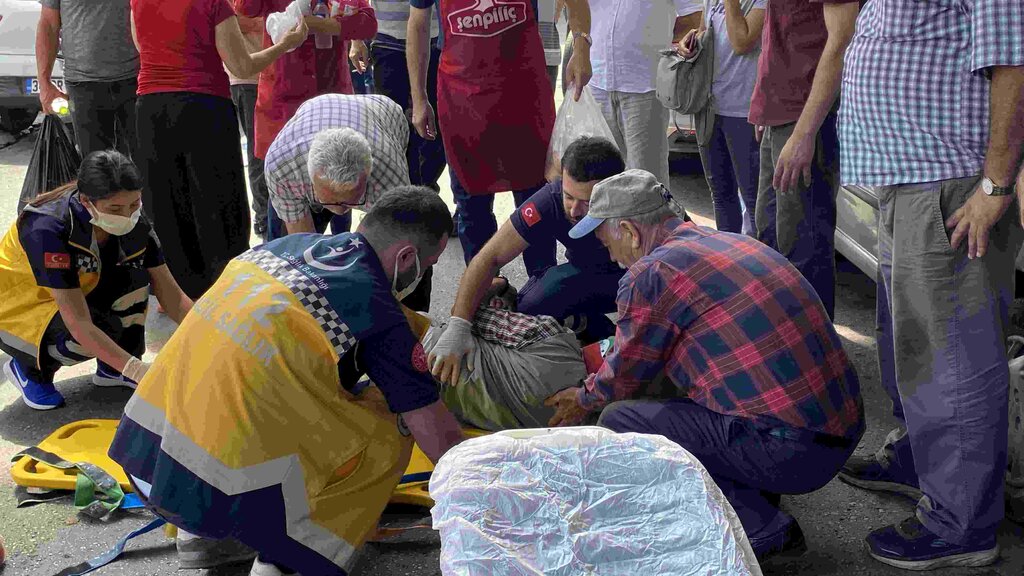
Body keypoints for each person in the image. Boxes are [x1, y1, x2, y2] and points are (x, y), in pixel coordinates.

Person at [108, 187, 464, 576]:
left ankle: (203, 539)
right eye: (429, 264)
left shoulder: (285, 248)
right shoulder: (376, 311)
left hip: (145, 455)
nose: (423, 274)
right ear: (407, 257)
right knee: (391, 427)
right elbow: (434, 432)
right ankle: (289, 561)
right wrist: (484, 485)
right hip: (211, 488)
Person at [546, 169, 865, 562]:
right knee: (681, 393)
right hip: (841, 428)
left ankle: (761, 526)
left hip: (795, 449)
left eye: (607, 243)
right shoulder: (725, 241)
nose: (611, 256)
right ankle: (752, 488)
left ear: (629, 231)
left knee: (620, 419)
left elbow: (624, 376)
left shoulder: (651, 274)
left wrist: (582, 398)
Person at [836, 1, 1024, 569]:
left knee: (954, 362)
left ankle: (961, 523)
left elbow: (1013, 57)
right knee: (919, 351)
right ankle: (925, 467)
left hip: (951, 184)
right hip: (913, 180)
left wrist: (995, 185)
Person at [130, 0, 307, 299]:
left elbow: (143, 48)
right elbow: (242, 66)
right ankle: (226, 292)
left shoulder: (137, 2)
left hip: (151, 108)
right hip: (203, 105)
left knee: (167, 204)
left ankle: (179, 294)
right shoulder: (213, 3)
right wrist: (284, 45)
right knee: (219, 203)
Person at [407, 0, 592, 278]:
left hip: (523, 97)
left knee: (536, 205)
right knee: (472, 209)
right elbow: (418, 24)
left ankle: (541, 287)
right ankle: (486, 289)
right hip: (463, 102)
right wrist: (419, 98)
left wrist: (581, 46)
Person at [0, 151, 192, 411]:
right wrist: (138, 371)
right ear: (86, 201)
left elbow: (172, 295)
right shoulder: (47, 228)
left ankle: (114, 368)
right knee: (82, 333)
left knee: (135, 281)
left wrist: (212, 336)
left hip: (72, 292)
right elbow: (78, 322)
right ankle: (30, 369)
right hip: (19, 310)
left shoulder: (134, 221)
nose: (127, 215)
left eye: (134, 204)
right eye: (115, 209)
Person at [427, 136, 625, 387]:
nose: (575, 210)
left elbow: (668, 275)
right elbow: (489, 256)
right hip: (588, 273)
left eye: (587, 202)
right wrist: (459, 326)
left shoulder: (642, 204)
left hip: (637, 277)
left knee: (644, 345)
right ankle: (584, 323)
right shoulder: (550, 199)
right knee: (530, 307)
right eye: (569, 197)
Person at [264, 93, 435, 310]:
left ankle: (411, 320)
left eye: (351, 202)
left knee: (411, 250)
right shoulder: (281, 168)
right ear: (311, 179)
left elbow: (399, 246)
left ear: (368, 175)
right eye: (331, 202)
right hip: (312, 123)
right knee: (286, 258)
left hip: (383, 118)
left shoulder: (389, 176)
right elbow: (303, 244)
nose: (340, 212)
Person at [747, 0, 859, 319]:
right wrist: (765, 97)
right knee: (769, 241)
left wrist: (804, 133)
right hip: (781, 113)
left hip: (807, 118)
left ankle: (813, 348)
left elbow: (841, 41)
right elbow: (781, 28)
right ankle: (781, 340)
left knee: (802, 249)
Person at [416, 281, 587, 431]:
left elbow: (462, 312)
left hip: (429, 349)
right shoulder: (563, 423)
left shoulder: (549, 336)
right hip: (436, 405)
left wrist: (501, 285)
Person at [237, 0, 378, 163]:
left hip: (331, 94)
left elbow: (369, 24)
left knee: (338, 166)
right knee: (283, 167)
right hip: (283, 97)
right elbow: (245, 8)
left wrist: (319, 25)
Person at [587, 0, 702, 186]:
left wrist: (656, 35)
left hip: (644, 86)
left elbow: (695, 16)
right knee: (600, 178)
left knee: (646, 180)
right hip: (596, 82)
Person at [678, 0, 764, 236]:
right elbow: (705, 31)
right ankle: (728, 250)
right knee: (720, 191)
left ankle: (756, 256)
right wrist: (692, 42)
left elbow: (741, 42)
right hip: (709, 106)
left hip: (744, 109)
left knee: (753, 196)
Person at [35, 0, 139, 158]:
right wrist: (44, 83)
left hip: (136, 79)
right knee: (94, 164)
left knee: (144, 163)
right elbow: (48, 24)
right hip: (83, 84)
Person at [364, 0, 447, 191]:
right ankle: (406, 192)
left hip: (433, 35)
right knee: (393, 126)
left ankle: (425, 189)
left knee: (436, 126)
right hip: (387, 38)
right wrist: (357, 40)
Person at [226, 9, 272, 242]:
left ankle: (265, 220)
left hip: (260, 75)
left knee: (261, 152)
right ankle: (264, 221)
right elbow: (242, 22)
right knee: (258, 153)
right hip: (248, 78)